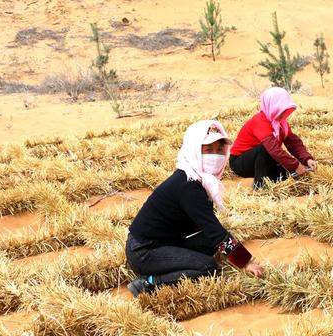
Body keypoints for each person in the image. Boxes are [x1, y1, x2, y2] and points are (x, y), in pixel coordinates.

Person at [125, 119, 264, 297]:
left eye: (220, 150)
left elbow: (211, 232)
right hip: (144, 252)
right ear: (194, 151)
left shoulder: (199, 180)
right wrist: (246, 262)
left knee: (209, 242)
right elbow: (216, 232)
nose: (216, 156)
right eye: (208, 150)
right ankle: (149, 282)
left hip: (165, 243)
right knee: (208, 267)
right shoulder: (188, 185)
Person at [230, 87, 318, 189]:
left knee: (287, 173)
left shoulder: (281, 123)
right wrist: (295, 165)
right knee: (264, 149)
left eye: (285, 110)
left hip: (261, 162)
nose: (283, 113)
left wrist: (307, 159)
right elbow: (273, 150)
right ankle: (259, 186)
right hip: (240, 162)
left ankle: (269, 180)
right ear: (270, 106)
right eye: (279, 109)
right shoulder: (260, 121)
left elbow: (293, 143)